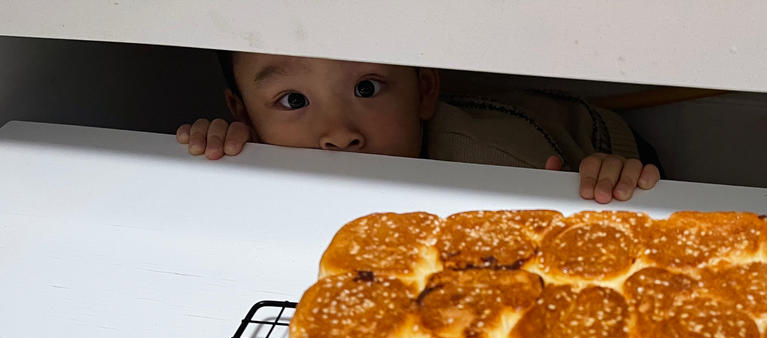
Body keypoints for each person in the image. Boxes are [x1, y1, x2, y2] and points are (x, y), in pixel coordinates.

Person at [177, 52, 661, 204]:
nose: (338, 133)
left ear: (425, 91)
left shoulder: (496, 164)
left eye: (367, 89)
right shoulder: (252, 140)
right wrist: (218, 157)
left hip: (597, 139)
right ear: (243, 113)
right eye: (294, 101)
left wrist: (609, 176)